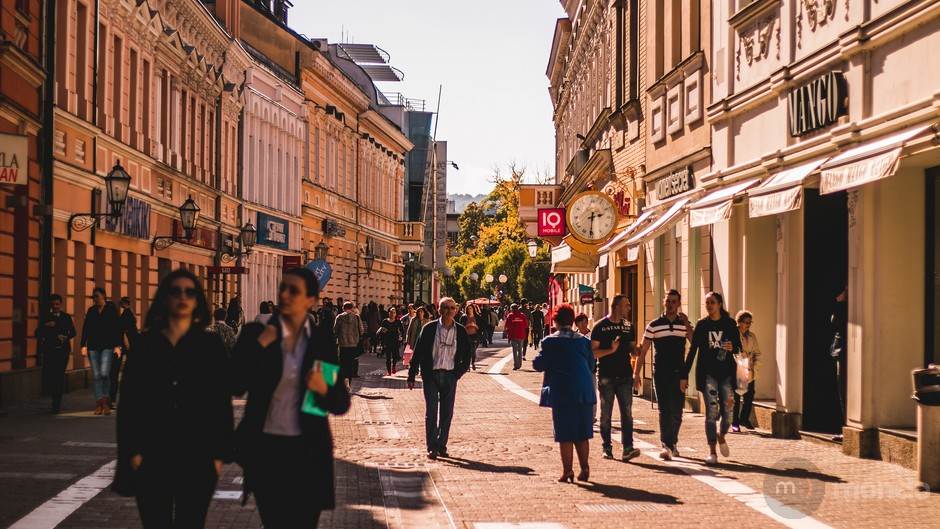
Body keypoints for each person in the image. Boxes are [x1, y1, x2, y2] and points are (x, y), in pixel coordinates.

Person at [231, 267, 351, 528]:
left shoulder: (321, 341)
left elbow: (340, 404)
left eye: (293, 290)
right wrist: (261, 343)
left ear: (311, 300)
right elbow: (235, 384)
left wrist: (324, 388)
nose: (284, 295)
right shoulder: (256, 333)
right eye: (282, 288)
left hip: (308, 450)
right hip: (267, 450)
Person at [114, 268, 232, 528]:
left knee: (191, 522)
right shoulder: (146, 345)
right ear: (165, 298)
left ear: (197, 300)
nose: (183, 297)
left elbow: (221, 403)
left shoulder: (209, 345)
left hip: (197, 454)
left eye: (190, 292)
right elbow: (130, 404)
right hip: (154, 452)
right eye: (175, 291)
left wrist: (219, 454)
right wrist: (132, 453)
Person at [533, 304, 596, 483]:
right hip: (584, 391)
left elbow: (538, 365)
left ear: (556, 321)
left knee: (564, 433)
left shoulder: (550, 341)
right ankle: (585, 468)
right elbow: (591, 365)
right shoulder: (583, 341)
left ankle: (568, 471)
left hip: (562, 392)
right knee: (582, 433)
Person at [407, 297, 472, 459]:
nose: (449, 311)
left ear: (456, 311)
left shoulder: (461, 331)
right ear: (439, 310)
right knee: (431, 412)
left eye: (452, 308)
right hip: (431, 375)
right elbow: (419, 351)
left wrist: (458, 373)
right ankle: (432, 447)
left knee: (447, 413)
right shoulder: (429, 328)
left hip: (450, 375)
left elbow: (467, 354)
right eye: (445, 308)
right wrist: (411, 374)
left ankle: (442, 444)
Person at [634, 289, 694, 461]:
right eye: (668, 301)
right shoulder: (653, 325)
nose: (670, 304)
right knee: (664, 410)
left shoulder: (684, 324)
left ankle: (672, 442)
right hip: (660, 372)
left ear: (679, 303)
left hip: (679, 373)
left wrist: (688, 325)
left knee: (677, 411)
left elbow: (695, 342)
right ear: (663, 302)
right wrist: (636, 373)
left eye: (674, 301)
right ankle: (666, 445)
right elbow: (643, 350)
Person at [683, 291, 741, 465]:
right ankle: (712, 451)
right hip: (708, 374)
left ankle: (721, 435)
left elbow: (738, 347)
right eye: (707, 303)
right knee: (711, 413)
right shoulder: (702, 325)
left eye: (712, 303)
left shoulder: (730, 324)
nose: (709, 306)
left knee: (728, 414)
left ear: (719, 305)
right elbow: (693, 350)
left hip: (727, 375)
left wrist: (732, 347)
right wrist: (684, 374)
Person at [590, 295, 641, 462]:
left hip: (625, 375)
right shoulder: (600, 326)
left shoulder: (628, 326)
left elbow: (632, 350)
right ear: (617, 307)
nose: (629, 308)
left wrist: (637, 350)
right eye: (626, 305)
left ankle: (628, 448)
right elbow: (593, 352)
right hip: (606, 376)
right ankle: (607, 447)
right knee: (606, 415)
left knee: (627, 414)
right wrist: (610, 351)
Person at [81, 287, 122, 415]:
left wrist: (118, 345)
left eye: (97, 296)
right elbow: (86, 328)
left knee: (104, 373)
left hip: (107, 346)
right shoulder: (91, 311)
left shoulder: (111, 310)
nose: (95, 299)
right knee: (97, 375)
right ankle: (100, 404)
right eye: (93, 297)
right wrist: (83, 345)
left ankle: (106, 401)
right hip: (93, 346)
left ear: (104, 296)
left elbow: (117, 328)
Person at [36, 294, 76, 414]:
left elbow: (73, 332)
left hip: (63, 351)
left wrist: (66, 336)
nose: (55, 307)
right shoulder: (46, 317)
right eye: (53, 305)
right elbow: (37, 333)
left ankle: (56, 404)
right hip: (50, 351)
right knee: (52, 376)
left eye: (57, 304)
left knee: (59, 376)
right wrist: (45, 326)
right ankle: (54, 399)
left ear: (61, 305)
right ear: (51, 305)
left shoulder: (66, 317)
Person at [732, 310, 760, 432]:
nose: (748, 324)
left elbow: (757, 353)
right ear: (739, 322)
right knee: (736, 397)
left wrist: (756, 367)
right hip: (736, 367)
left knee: (749, 395)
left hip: (749, 368)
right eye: (746, 322)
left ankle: (744, 418)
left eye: (750, 322)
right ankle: (735, 423)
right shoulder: (733, 334)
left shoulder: (752, 336)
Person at [110, 297, 138, 409]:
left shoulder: (126, 315)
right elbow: (125, 331)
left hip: (124, 346)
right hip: (126, 345)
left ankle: (113, 399)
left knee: (115, 372)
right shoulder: (128, 314)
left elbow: (125, 331)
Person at [334, 302, 363, 388]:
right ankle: (349, 382)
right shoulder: (356, 317)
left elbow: (335, 330)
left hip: (343, 344)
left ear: (343, 308)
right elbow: (361, 330)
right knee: (350, 364)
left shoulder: (339, 317)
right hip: (353, 345)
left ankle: (344, 380)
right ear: (352, 308)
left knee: (343, 364)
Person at [379, 307, 404, 375]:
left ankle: (393, 366)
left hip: (395, 341)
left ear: (395, 314)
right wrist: (383, 332)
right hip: (387, 341)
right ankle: (389, 371)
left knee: (395, 356)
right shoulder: (385, 321)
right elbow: (381, 330)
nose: (392, 314)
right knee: (388, 357)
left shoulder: (398, 322)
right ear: (388, 313)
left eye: (394, 312)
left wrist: (401, 336)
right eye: (391, 312)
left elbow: (402, 331)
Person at [504, 304, 529, 370]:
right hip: (521, 335)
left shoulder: (510, 315)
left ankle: (516, 365)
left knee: (514, 351)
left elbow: (507, 326)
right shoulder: (522, 315)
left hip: (513, 335)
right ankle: (519, 364)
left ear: (512, 308)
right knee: (520, 350)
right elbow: (526, 325)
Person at [460, 303, 482, 371]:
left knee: (473, 350)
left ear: (473, 309)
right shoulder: (464, 317)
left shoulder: (477, 317)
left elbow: (481, 327)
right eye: (468, 308)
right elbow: (461, 326)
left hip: (475, 336)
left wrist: (475, 326)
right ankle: (468, 365)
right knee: (468, 350)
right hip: (466, 336)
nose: (470, 310)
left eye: (471, 308)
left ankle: (473, 363)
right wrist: (468, 325)